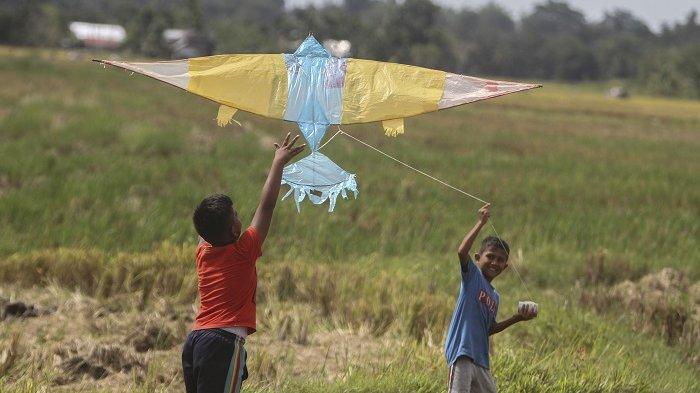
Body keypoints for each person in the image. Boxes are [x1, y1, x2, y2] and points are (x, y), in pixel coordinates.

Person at [182, 133, 305, 393]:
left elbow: (206, 225)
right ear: (232, 231)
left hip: (196, 341)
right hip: (222, 343)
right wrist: (278, 163)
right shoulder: (243, 251)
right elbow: (267, 206)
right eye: (236, 215)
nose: (241, 217)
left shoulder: (203, 253)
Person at [445, 203, 538, 393]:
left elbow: (489, 328)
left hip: (481, 362)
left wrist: (518, 318)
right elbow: (462, 252)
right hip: (462, 355)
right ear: (478, 257)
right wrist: (480, 223)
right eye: (490, 256)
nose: (495, 262)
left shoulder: (495, 296)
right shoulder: (472, 276)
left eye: (500, 260)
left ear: (505, 267)